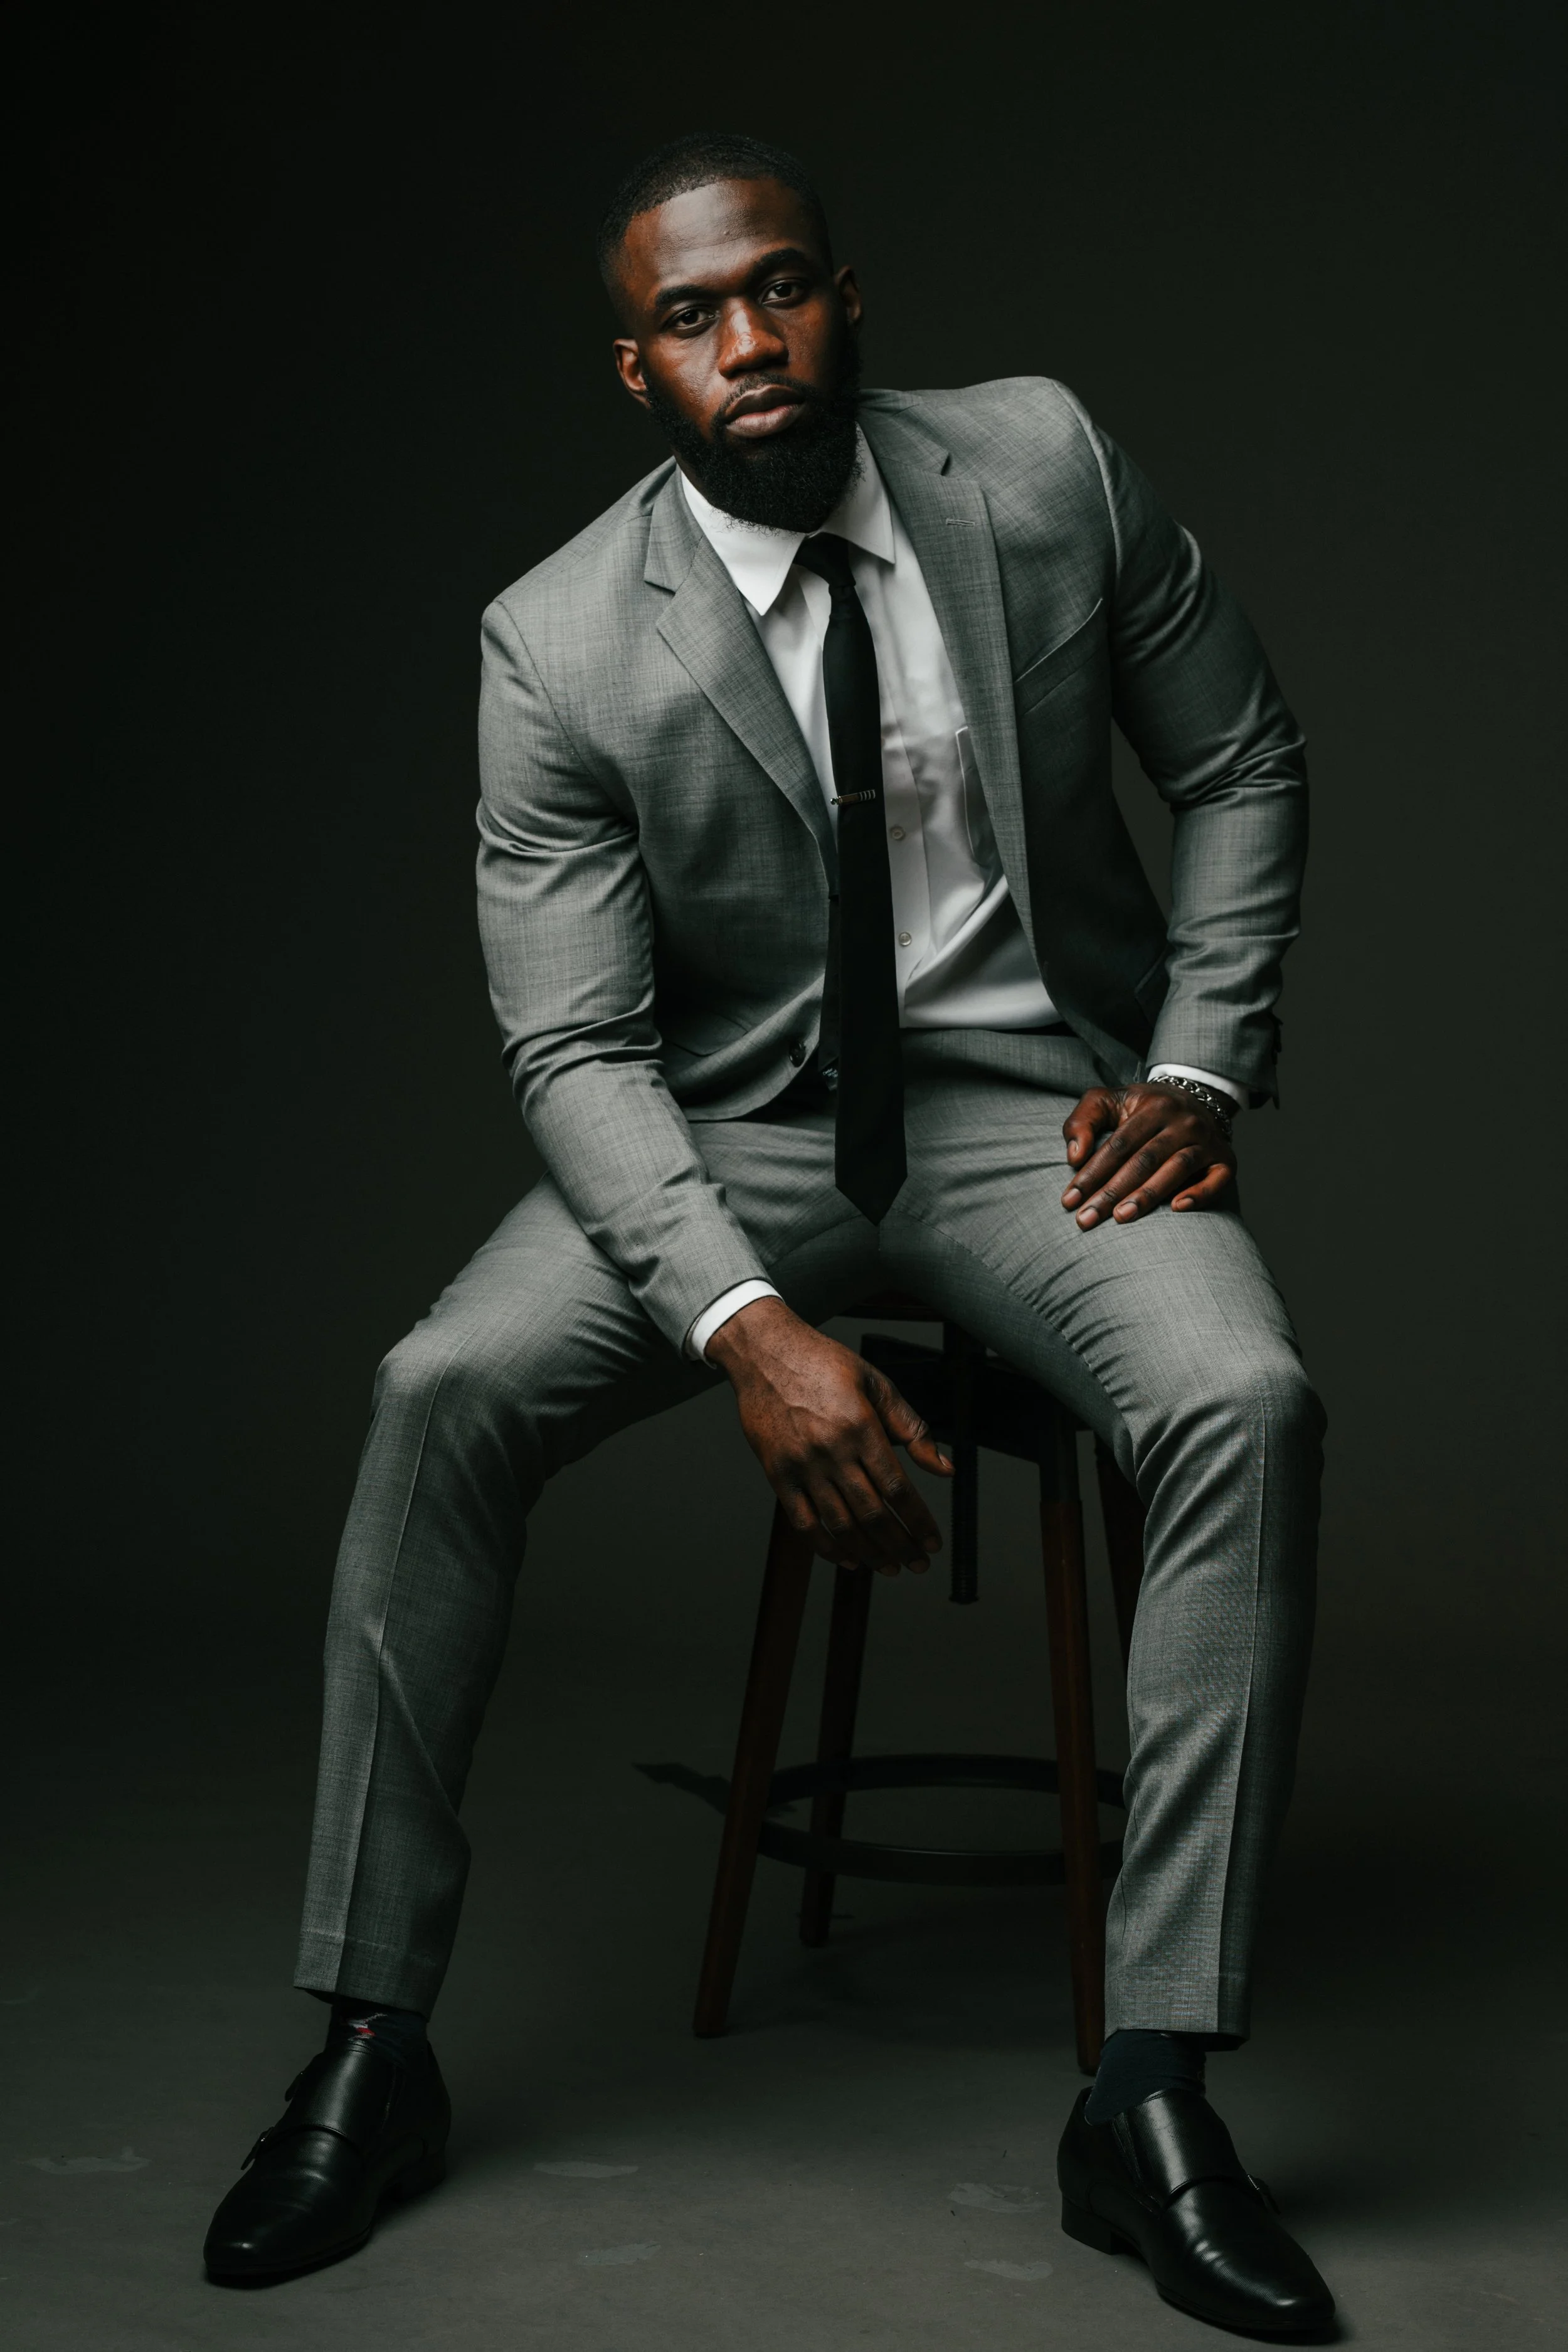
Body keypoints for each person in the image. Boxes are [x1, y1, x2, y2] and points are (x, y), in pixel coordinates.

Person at [204, 131, 1334, 2336]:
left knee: (1249, 1400)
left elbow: (1246, 757)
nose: (753, 342)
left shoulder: (1042, 470)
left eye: (782, 290)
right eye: (698, 318)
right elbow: (574, 1048)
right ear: (636, 366)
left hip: (1038, 1115)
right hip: (725, 1136)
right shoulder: (553, 643)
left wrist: (1194, 1069)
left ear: (842, 297)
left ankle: (1152, 2088)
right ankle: (370, 2040)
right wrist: (739, 1320)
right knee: (437, 1390)